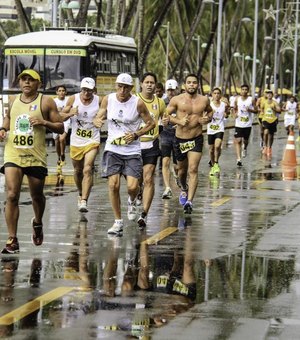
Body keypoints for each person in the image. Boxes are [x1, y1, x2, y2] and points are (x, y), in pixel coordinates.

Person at [0, 69, 64, 254]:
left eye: (31, 80)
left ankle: (37, 222)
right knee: (12, 195)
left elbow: (60, 127)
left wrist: (44, 123)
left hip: (36, 156)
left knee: (37, 196)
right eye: (23, 80)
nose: (26, 83)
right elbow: (8, 120)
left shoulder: (46, 101)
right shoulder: (13, 101)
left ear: (39, 83)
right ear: (19, 83)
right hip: (14, 154)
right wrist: (3, 129)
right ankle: (12, 239)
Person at [93, 73, 155, 235]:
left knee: (133, 186)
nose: (122, 90)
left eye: (126, 87)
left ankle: (132, 200)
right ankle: (118, 221)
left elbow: (151, 123)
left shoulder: (138, 103)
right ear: (116, 86)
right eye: (119, 86)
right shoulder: (108, 99)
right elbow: (99, 116)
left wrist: (136, 134)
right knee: (113, 185)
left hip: (132, 149)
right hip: (113, 148)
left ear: (131, 89)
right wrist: (97, 121)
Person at [162, 73, 213, 214]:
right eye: (189, 82)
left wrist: (207, 119)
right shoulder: (177, 100)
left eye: (194, 82)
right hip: (180, 139)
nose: (192, 85)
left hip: (196, 138)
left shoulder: (204, 100)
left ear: (198, 85)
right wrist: (178, 121)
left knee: (193, 169)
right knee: (181, 171)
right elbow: (165, 115)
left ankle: (190, 201)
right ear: (185, 85)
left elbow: (210, 112)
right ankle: (183, 188)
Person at [61, 77, 101, 213]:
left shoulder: (99, 100)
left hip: (92, 140)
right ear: (81, 89)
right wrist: (70, 113)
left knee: (87, 169)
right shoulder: (73, 99)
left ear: (93, 90)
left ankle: (84, 200)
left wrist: (99, 118)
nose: (86, 93)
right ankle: (80, 192)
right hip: (76, 141)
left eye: (89, 90)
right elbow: (59, 116)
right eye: (84, 90)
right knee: (78, 171)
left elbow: (109, 113)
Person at [136, 72, 166, 229]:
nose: (149, 85)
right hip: (134, 146)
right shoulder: (134, 100)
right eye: (146, 82)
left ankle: (144, 214)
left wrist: (166, 121)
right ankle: (136, 195)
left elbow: (164, 118)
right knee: (135, 181)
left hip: (151, 144)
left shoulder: (160, 102)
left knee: (149, 179)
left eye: (152, 82)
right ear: (141, 84)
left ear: (155, 85)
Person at [161, 78, 179, 199]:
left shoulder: (181, 102)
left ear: (176, 90)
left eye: (173, 90)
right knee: (165, 161)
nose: (171, 92)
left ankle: (177, 176)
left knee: (178, 166)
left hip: (179, 135)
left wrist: (181, 123)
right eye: (169, 90)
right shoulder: (162, 103)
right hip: (165, 135)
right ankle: (167, 188)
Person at [233, 84, 257, 166]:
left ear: (248, 91)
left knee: (245, 141)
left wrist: (250, 110)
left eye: (246, 89)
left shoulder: (251, 100)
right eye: (242, 89)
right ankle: (239, 159)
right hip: (238, 123)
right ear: (240, 90)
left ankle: (245, 147)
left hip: (247, 124)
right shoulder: (237, 99)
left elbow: (256, 110)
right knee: (238, 140)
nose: (244, 91)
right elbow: (234, 108)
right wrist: (234, 114)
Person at [207, 87, 230, 176]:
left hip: (219, 128)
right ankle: (213, 165)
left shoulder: (223, 105)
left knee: (217, 146)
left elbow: (227, 115)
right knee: (211, 150)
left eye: (218, 93)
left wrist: (227, 112)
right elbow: (205, 115)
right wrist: (208, 116)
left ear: (220, 95)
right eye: (215, 93)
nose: (216, 95)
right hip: (210, 129)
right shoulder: (209, 105)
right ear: (212, 95)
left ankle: (216, 163)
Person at [260, 89, 281, 156]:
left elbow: (279, 111)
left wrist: (274, 109)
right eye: (268, 94)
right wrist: (262, 112)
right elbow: (262, 108)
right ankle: (265, 146)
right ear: (266, 95)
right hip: (265, 119)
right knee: (265, 132)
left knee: (271, 135)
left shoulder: (275, 102)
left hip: (273, 120)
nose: (269, 95)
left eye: (270, 94)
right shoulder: (264, 102)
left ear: (272, 95)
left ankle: (269, 147)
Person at [53, 85, 70, 165]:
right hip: (56, 121)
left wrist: (63, 111)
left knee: (62, 139)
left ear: (65, 92)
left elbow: (71, 110)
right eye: (59, 91)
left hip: (66, 121)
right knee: (56, 141)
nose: (61, 92)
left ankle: (63, 154)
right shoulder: (54, 101)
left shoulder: (69, 100)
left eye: (63, 90)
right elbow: (51, 112)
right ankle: (59, 156)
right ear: (57, 92)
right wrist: (56, 110)